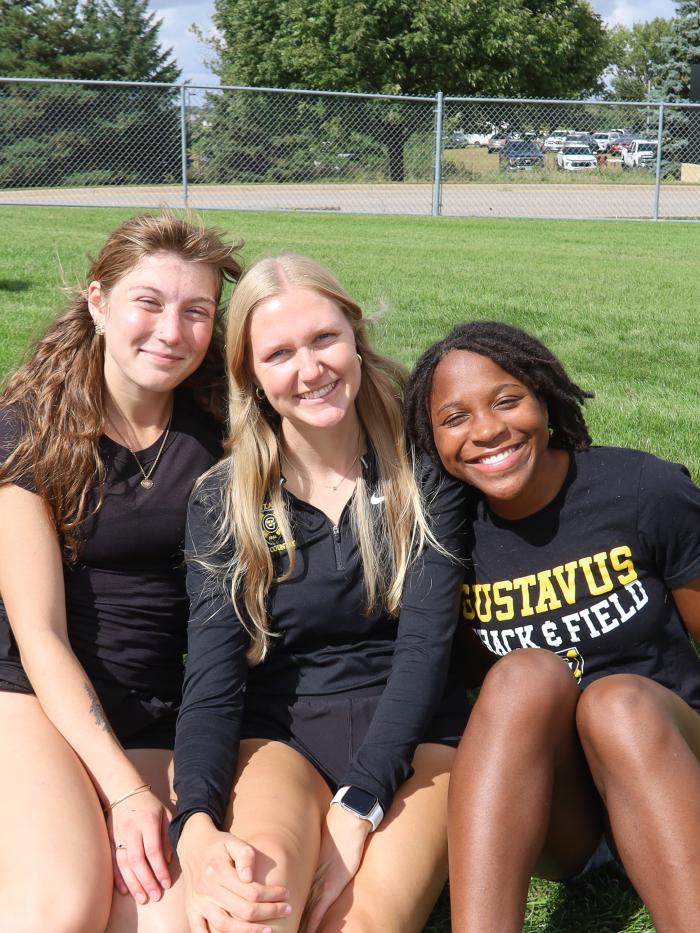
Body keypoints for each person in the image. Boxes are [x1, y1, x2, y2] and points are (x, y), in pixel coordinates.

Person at [171, 254, 471, 933]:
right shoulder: (227, 498)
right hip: (284, 738)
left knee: (354, 924)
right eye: (279, 353)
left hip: (420, 740)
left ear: (356, 336)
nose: (309, 370)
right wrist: (193, 819)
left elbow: (426, 648)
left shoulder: (422, 463)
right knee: (255, 911)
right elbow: (213, 680)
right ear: (251, 376)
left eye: (324, 339)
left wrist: (359, 802)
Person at [0, 213, 254, 933]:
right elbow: (39, 634)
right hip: (26, 695)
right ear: (98, 301)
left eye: (196, 310)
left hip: (152, 707)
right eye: (148, 301)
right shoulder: (31, 429)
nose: (171, 331)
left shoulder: (222, 433)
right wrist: (123, 792)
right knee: (63, 907)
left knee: (168, 920)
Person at [404, 320, 700, 933]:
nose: (487, 430)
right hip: (561, 817)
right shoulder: (443, 543)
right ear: (430, 441)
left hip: (668, 764)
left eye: (507, 400)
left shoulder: (642, 490)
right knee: (523, 675)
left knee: (614, 702)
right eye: (453, 418)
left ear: (543, 397)